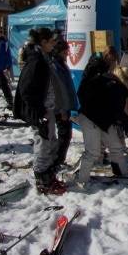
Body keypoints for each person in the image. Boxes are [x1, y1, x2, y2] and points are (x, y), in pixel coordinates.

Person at [13, 27, 66, 195]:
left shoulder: (43, 58)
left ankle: (48, 176)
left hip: (47, 108)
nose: (53, 45)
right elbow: (25, 90)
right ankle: (42, 180)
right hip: (40, 111)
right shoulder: (37, 61)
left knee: (50, 142)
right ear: (43, 42)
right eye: (51, 42)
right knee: (43, 144)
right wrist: (39, 112)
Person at [72, 61, 128, 188]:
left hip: (103, 120)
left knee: (116, 146)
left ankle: (122, 172)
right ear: (126, 80)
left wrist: (127, 122)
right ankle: (82, 180)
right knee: (93, 152)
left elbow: (113, 110)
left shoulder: (115, 85)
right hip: (90, 119)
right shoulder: (117, 88)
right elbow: (116, 111)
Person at [48, 37, 77, 177]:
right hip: (60, 107)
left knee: (65, 135)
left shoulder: (61, 64)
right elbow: (59, 90)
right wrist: (62, 110)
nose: (67, 54)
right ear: (59, 52)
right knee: (64, 135)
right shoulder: (55, 66)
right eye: (65, 51)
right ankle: (57, 162)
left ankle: (59, 160)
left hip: (64, 106)